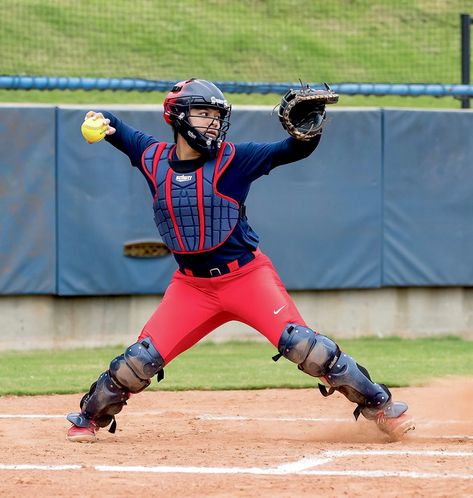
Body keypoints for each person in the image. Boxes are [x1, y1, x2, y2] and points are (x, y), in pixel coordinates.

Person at [66, 78, 415, 443]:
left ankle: (382, 406)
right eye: (203, 114)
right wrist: (98, 120)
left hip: (246, 277)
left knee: (306, 348)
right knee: (138, 363)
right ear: (177, 116)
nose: (213, 123)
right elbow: (114, 127)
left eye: (217, 115)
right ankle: (88, 417)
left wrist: (308, 134)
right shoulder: (151, 156)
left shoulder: (234, 159)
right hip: (192, 287)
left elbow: (290, 151)